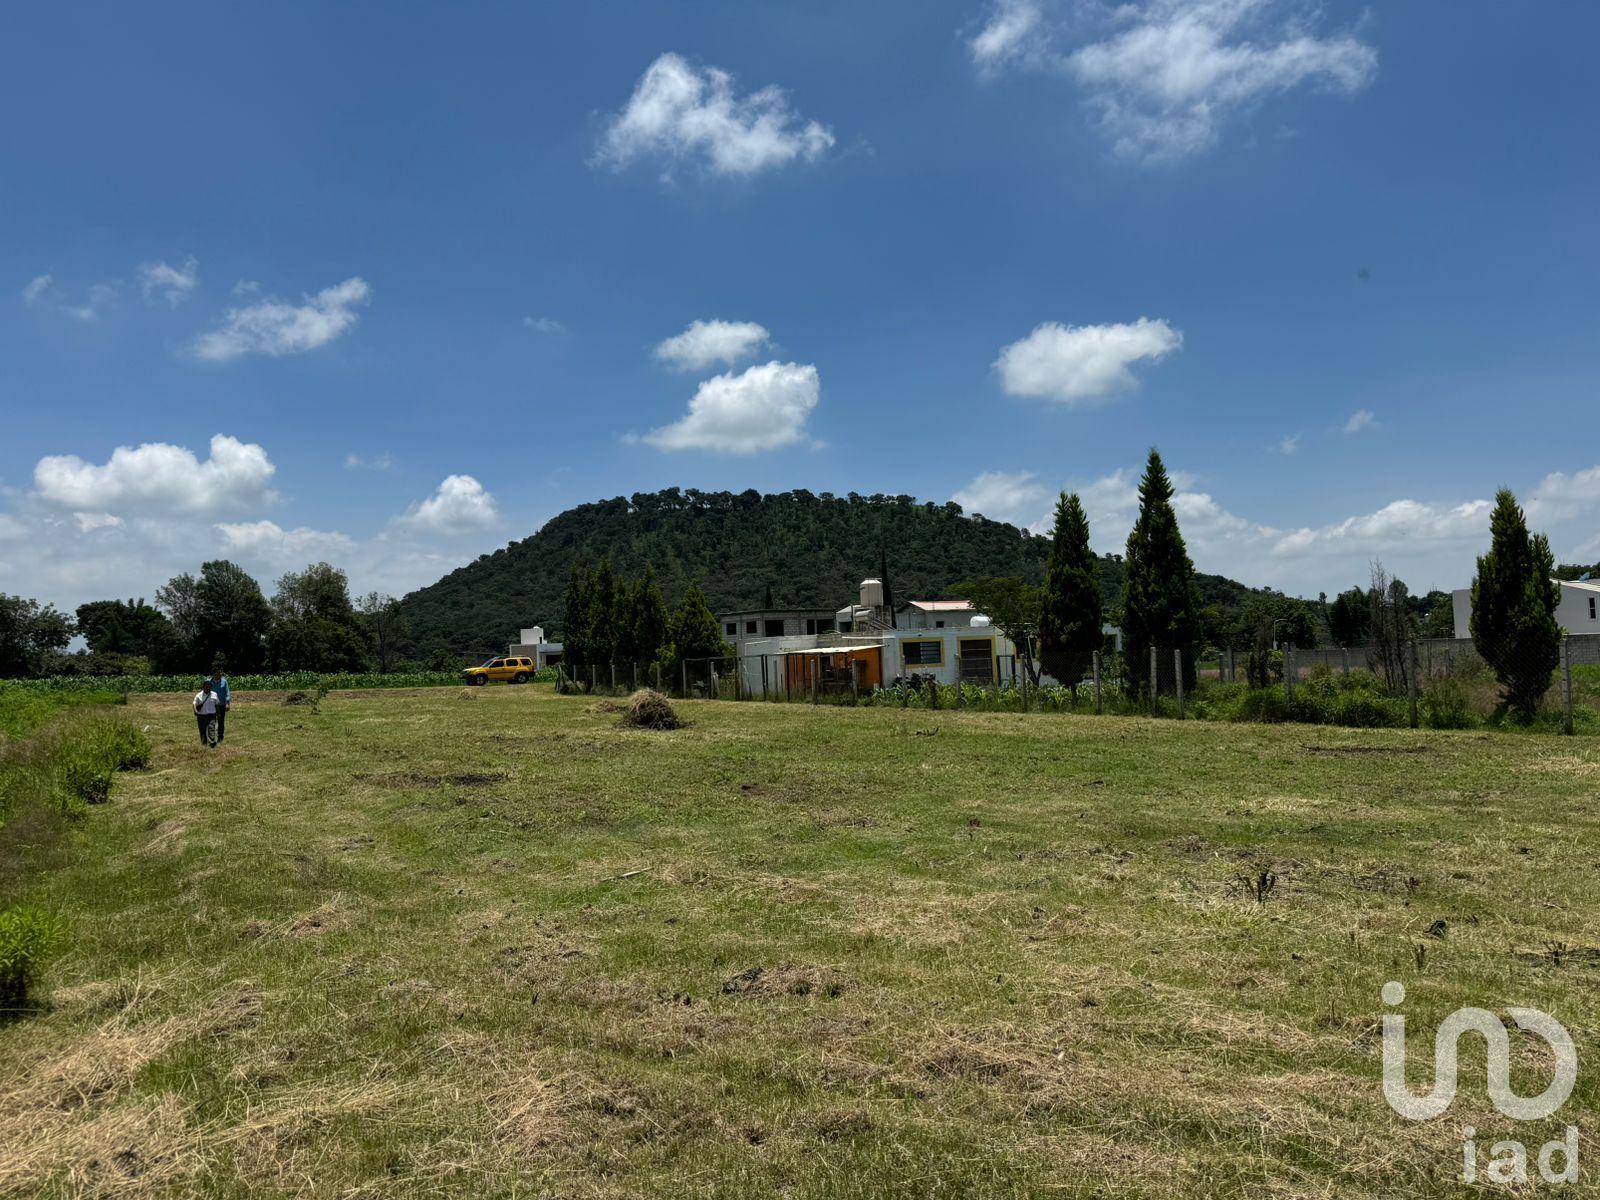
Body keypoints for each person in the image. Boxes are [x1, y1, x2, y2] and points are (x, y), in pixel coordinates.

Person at [193, 680, 220, 747]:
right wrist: (195, 711)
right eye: (206, 687)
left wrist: (218, 713)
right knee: (202, 731)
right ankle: (204, 744)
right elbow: (194, 704)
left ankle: (212, 744)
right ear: (203, 687)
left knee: (211, 729)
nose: (208, 688)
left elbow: (217, 704)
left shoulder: (214, 694)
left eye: (209, 687)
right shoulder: (198, 695)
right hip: (201, 716)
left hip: (212, 715)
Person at [210, 666, 231, 743]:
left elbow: (227, 693)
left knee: (221, 722)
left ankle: (220, 737)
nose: (219, 674)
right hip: (211, 705)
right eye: (217, 673)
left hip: (221, 705)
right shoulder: (209, 682)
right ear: (213, 674)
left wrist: (227, 703)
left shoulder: (224, 682)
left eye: (220, 673)